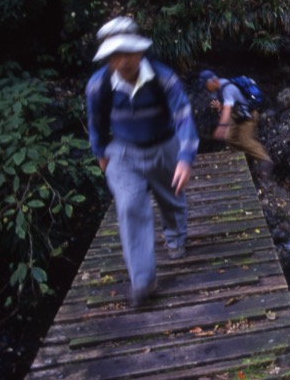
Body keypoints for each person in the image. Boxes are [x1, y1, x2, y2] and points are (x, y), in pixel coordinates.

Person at [86, 18, 199, 305]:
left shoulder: (163, 78)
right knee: (129, 206)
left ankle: (175, 237)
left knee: (172, 196)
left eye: (128, 53)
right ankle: (143, 281)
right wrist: (101, 155)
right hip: (123, 152)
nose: (123, 61)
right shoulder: (98, 85)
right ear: (108, 58)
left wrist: (185, 158)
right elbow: (96, 123)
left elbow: (183, 117)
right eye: (115, 55)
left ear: (140, 52)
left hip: (164, 145)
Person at [200, 70, 273, 175]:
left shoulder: (227, 88)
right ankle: (242, 160)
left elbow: (227, 109)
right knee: (229, 137)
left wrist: (221, 126)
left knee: (244, 140)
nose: (206, 88)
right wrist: (220, 108)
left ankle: (265, 160)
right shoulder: (217, 89)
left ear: (213, 81)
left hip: (249, 114)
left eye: (206, 85)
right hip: (237, 115)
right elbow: (227, 106)